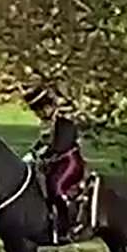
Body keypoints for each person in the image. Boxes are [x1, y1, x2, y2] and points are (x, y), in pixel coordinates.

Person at [22, 86, 86, 243]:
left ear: (48, 107)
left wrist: (42, 155)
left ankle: (70, 224)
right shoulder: (48, 123)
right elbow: (43, 142)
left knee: (57, 188)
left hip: (70, 162)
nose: (39, 115)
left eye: (40, 111)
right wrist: (31, 153)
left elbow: (60, 146)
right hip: (56, 163)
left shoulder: (65, 120)